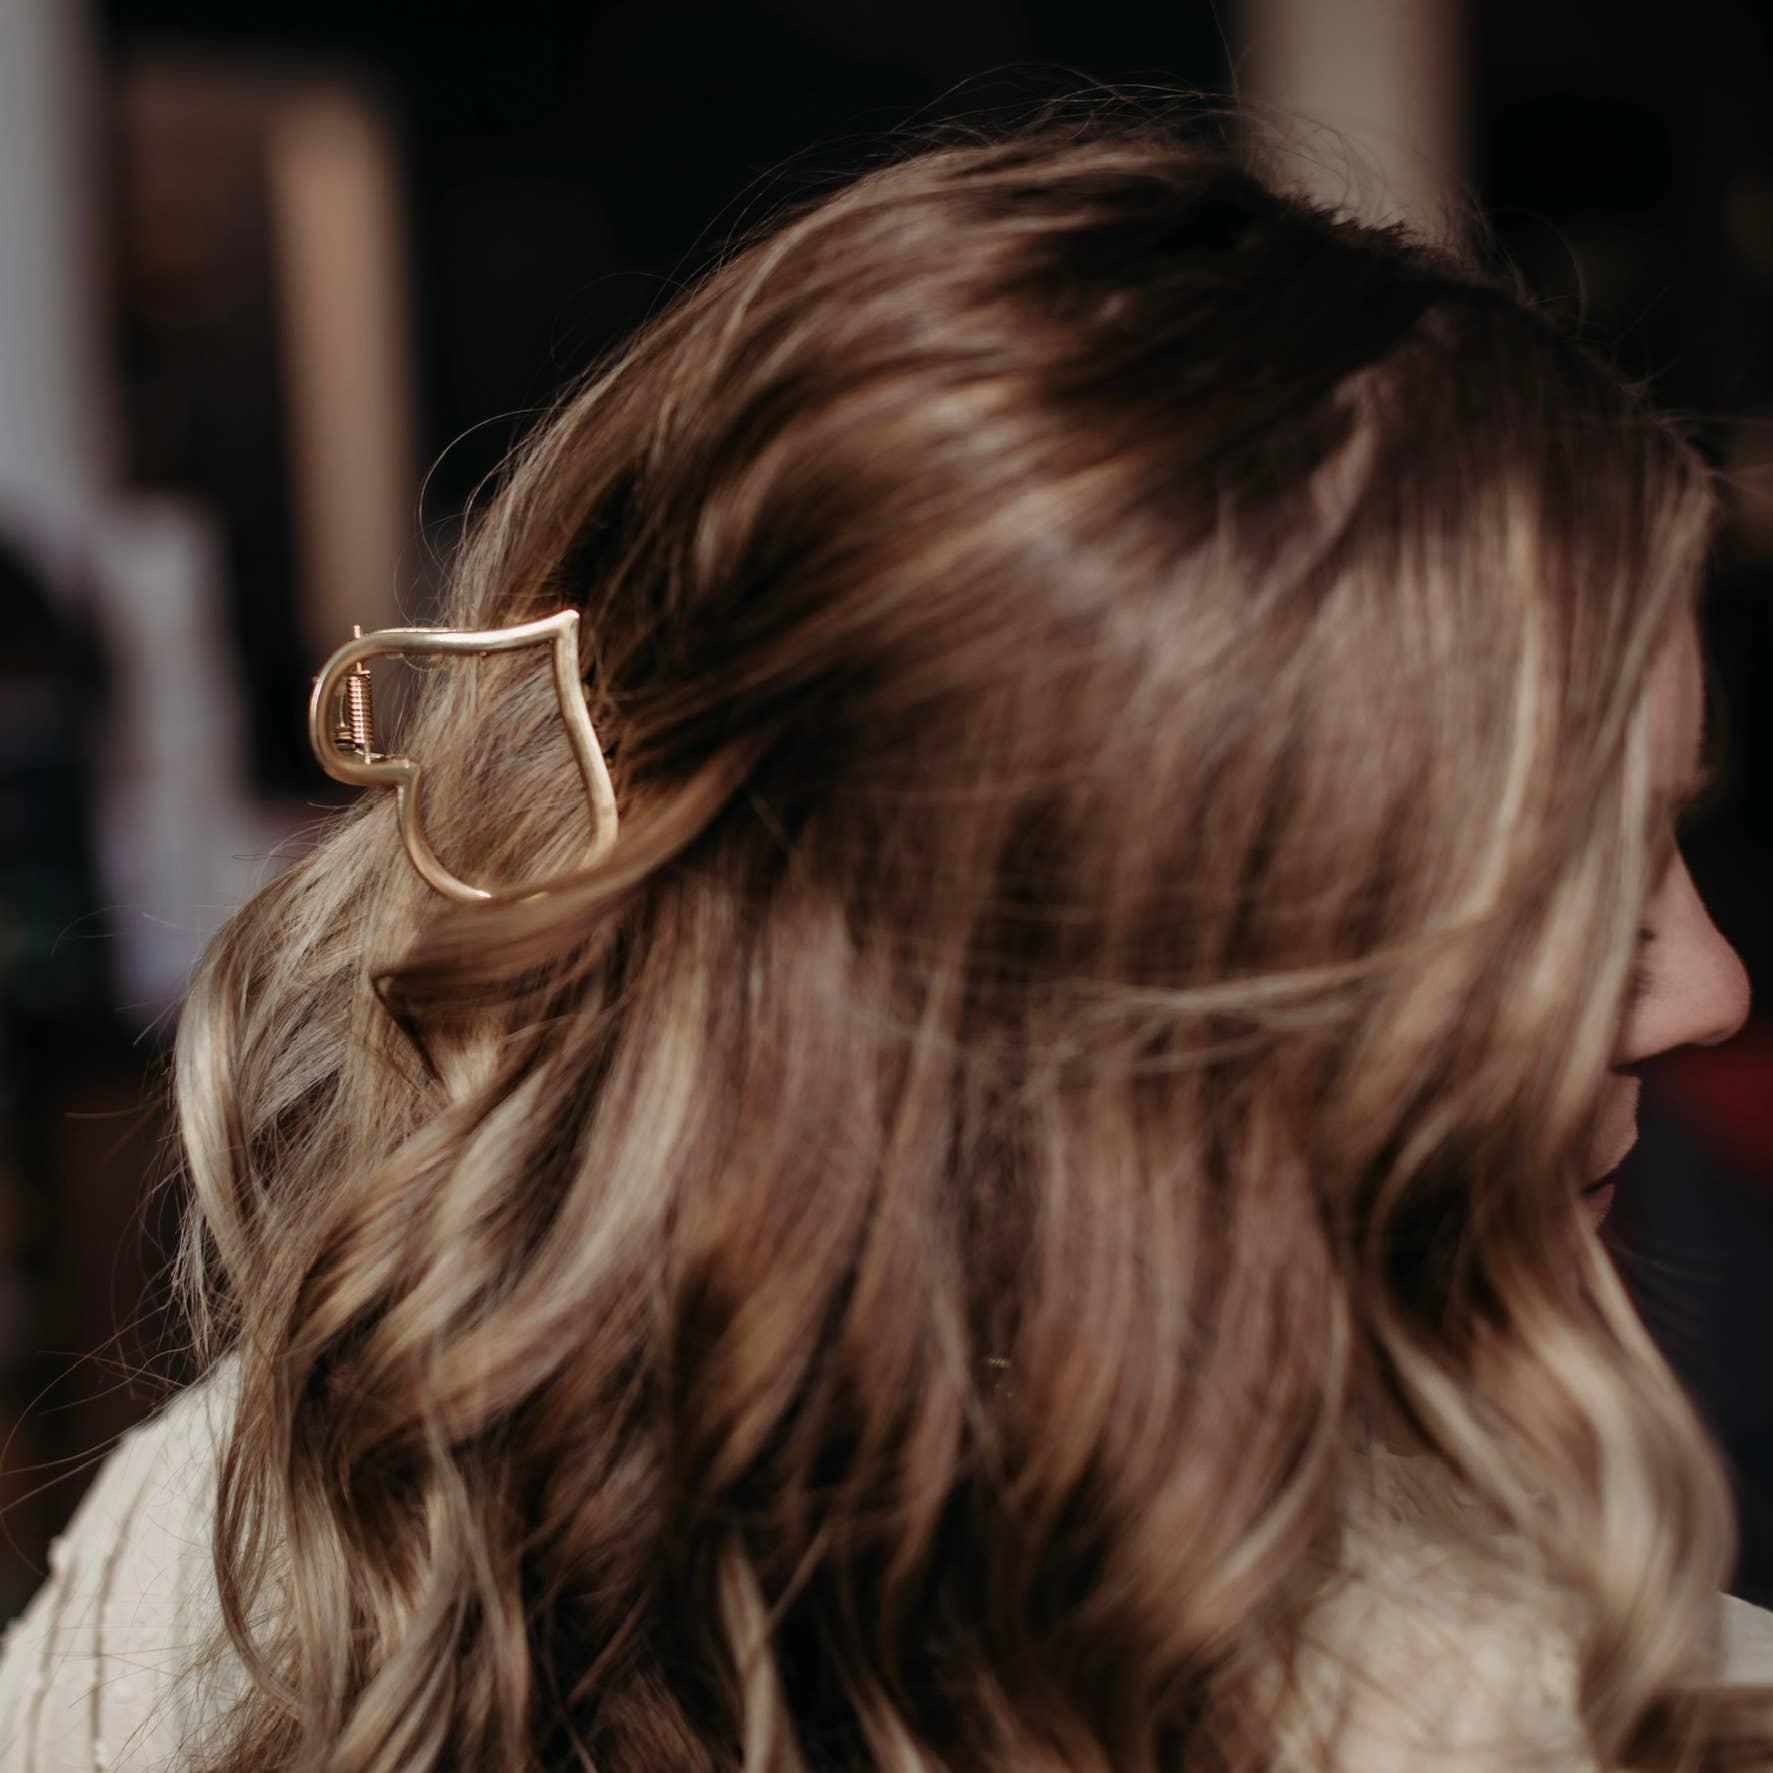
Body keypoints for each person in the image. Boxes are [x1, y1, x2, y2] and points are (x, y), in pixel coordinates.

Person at [1, 108, 1769, 1772]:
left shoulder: (230, 1536)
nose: (1712, 988)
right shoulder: (1591, 1709)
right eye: (1574, 884)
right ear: (1077, 985)